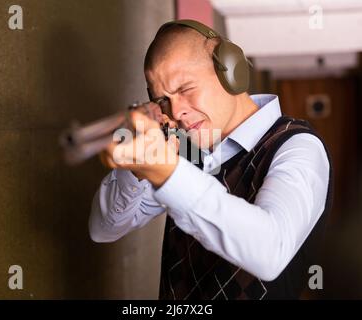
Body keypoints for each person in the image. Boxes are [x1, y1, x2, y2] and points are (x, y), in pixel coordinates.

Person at [89, 20, 332, 300]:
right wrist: (137, 170)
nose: (176, 111)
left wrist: (167, 172)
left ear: (230, 72)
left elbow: (270, 250)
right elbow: (103, 229)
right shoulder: (187, 150)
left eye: (185, 89)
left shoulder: (298, 146)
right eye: (163, 99)